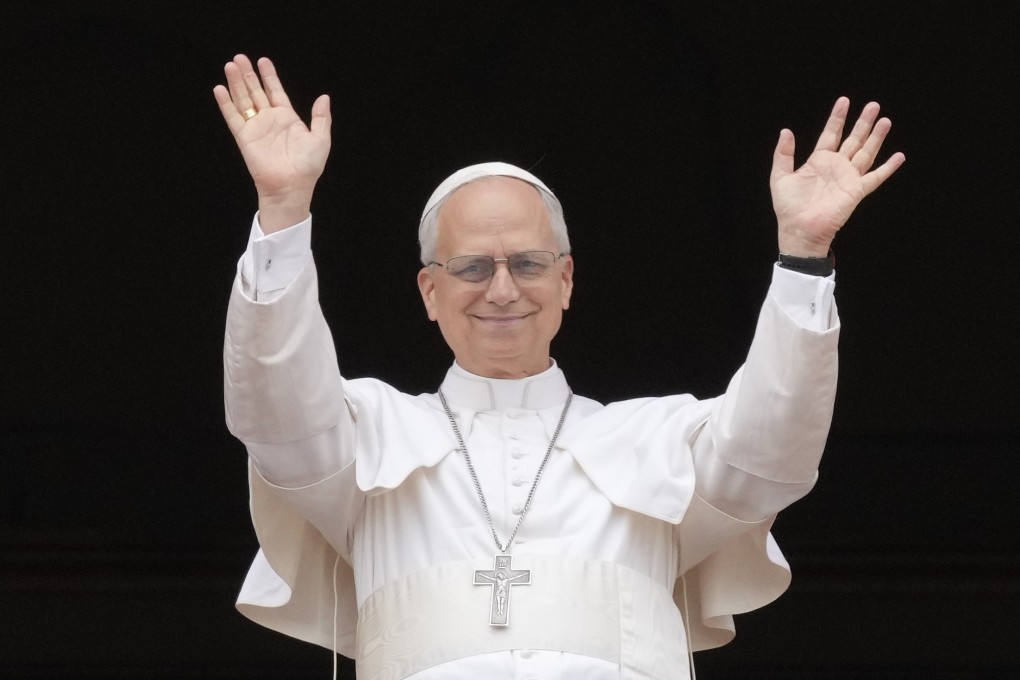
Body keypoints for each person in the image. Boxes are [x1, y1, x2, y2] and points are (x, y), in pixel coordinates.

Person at [214, 54, 904, 680]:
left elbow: (772, 454)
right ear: (430, 291)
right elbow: (275, 411)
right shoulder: (366, 431)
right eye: (473, 267)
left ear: (567, 279)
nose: (504, 289)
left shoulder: (657, 440)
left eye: (529, 264)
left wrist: (804, 256)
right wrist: (282, 211)